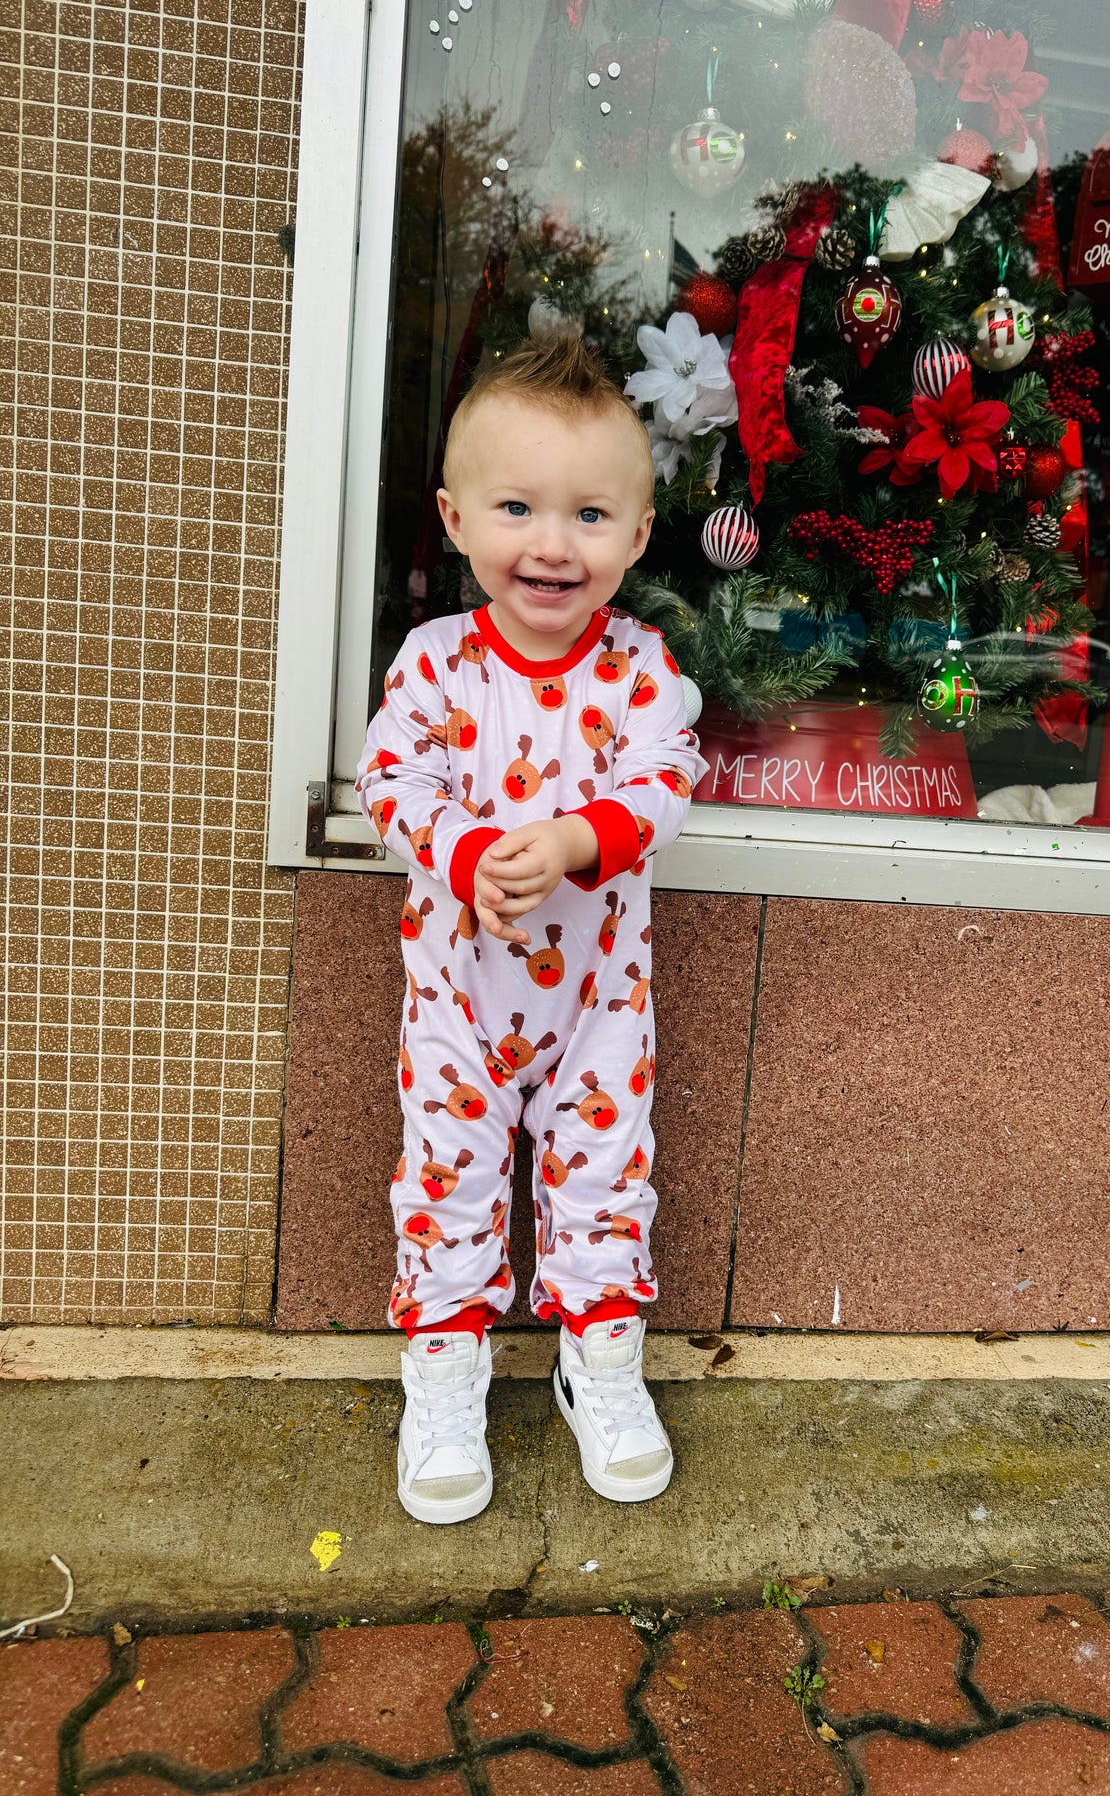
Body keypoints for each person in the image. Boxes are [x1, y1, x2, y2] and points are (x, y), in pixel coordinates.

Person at [356, 335, 706, 1523]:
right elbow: (390, 776)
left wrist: (567, 843)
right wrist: (459, 852)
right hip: (458, 999)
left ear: (639, 533)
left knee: (605, 1173)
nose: (552, 544)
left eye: (590, 514)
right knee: (447, 1180)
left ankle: (597, 1356)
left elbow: (665, 777)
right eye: (517, 507)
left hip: (599, 1002)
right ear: (455, 519)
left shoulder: (642, 670)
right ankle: (445, 1368)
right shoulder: (435, 664)